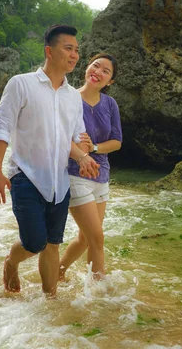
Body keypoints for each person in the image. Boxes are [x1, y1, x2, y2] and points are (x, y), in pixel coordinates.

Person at [0, 24, 99, 297]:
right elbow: (1, 126)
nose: (74, 55)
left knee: (52, 245)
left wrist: (83, 155)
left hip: (59, 182)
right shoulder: (21, 84)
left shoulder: (73, 97)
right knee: (35, 242)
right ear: (50, 51)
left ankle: (51, 303)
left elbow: (72, 140)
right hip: (25, 176)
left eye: (77, 50)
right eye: (68, 48)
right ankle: (11, 262)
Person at [59, 53, 122, 281]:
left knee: (86, 238)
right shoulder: (68, 98)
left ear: (110, 82)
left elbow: (116, 142)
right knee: (97, 238)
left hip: (101, 176)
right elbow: (60, 137)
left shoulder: (110, 104)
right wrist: (81, 154)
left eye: (106, 71)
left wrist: (94, 147)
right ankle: (99, 292)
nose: (99, 72)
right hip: (75, 174)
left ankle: (58, 271)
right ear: (87, 68)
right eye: (96, 66)